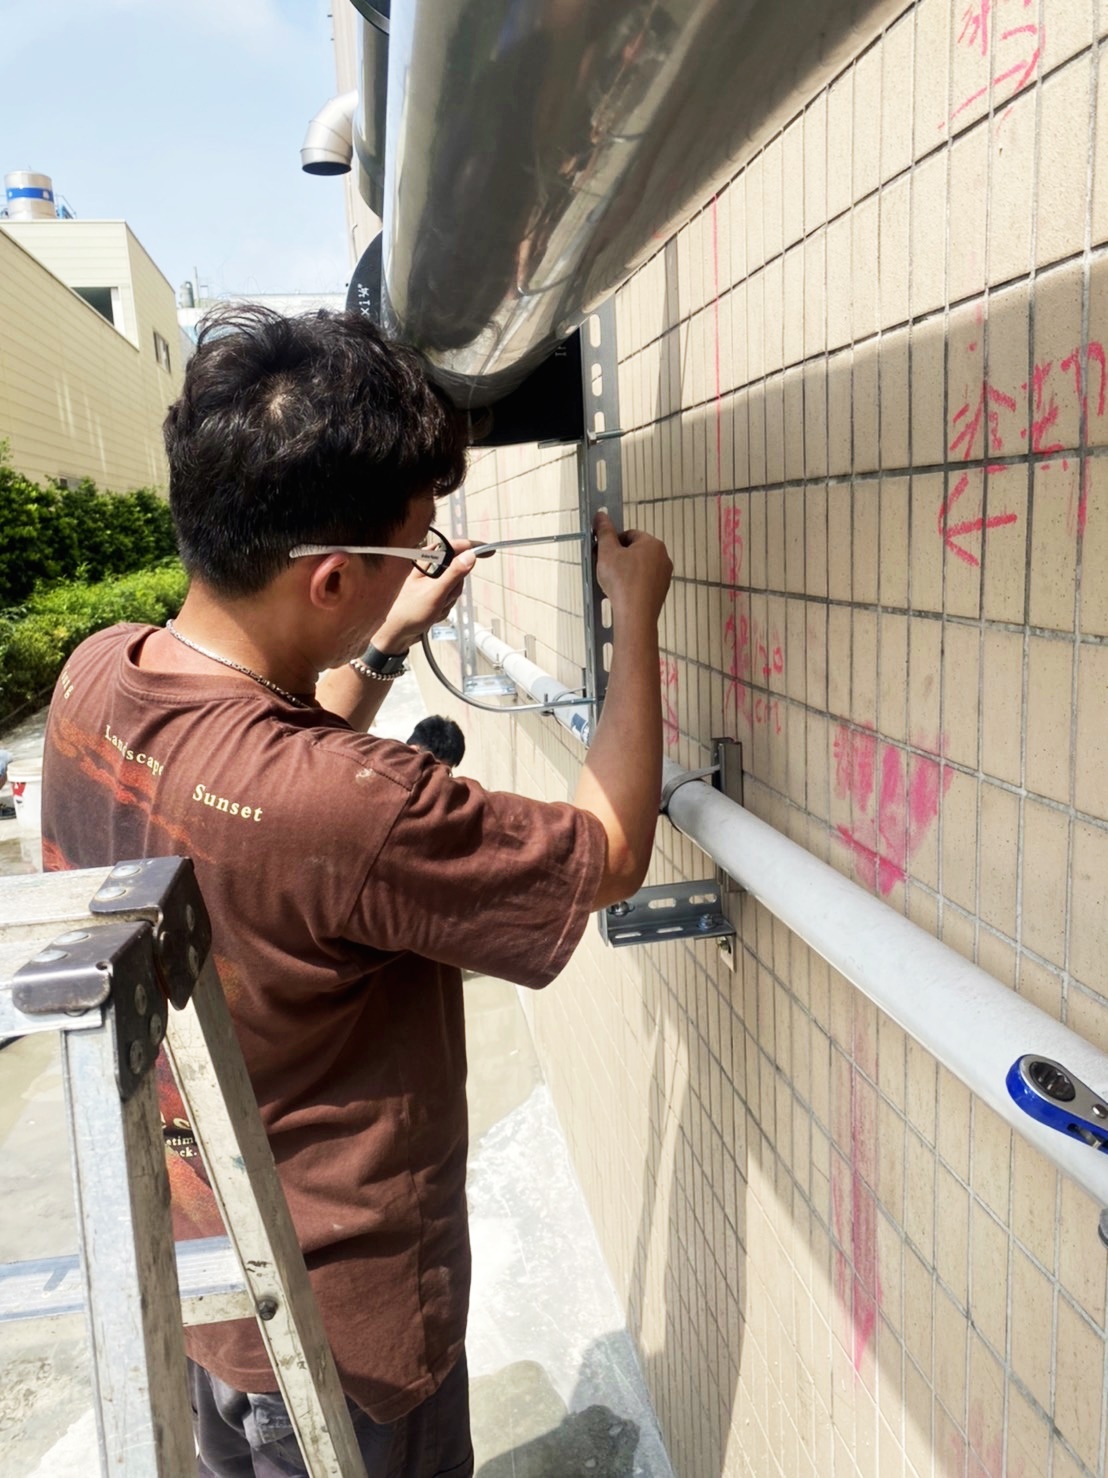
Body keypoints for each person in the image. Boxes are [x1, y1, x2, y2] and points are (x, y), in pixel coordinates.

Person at [40, 305, 671, 1478]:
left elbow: (254, 798)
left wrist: (379, 649)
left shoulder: (97, 678)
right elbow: (607, 848)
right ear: (332, 576)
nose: (417, 573)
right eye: (412, 551)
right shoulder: (356, 805)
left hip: (193, 1277)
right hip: (345, 1344)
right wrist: (634, 619)